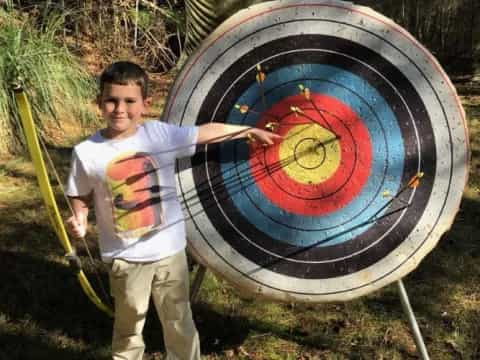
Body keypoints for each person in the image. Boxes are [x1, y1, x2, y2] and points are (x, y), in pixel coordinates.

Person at [65, 61, 281, 360]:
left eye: (129, 101)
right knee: (129, 327)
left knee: (179, 321)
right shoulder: (86, 152)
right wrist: (79, 216)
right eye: (111, 100)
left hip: (169, 252)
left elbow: (205, 133)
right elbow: (79, 190)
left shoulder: (158, 135)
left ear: (145, 105)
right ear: (99, 103)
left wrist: (248, 130)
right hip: (125, 257)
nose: (119, 109)